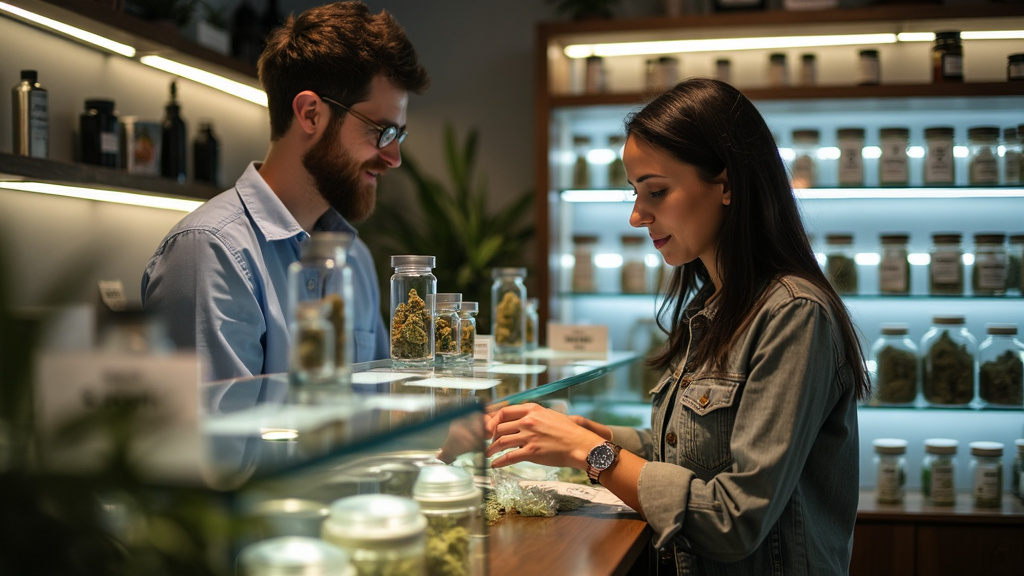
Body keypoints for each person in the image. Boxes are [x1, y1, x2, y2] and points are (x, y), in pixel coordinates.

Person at [486, 78, 869, 575]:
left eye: (657, 191)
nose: (636, 216)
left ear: (727, 185)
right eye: (635, 193)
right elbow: (697, 454)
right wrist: (593, 433)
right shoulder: (712, 307)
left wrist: (593, 454)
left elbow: (735, 519)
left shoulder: (794, 315)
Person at [141, 1, 429, 381]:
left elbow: (376, 407)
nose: (394, 158)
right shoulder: (209, 253)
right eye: (383, 131)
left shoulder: (354, 259)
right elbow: (214, 421)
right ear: (310, 114)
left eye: (398, 135)